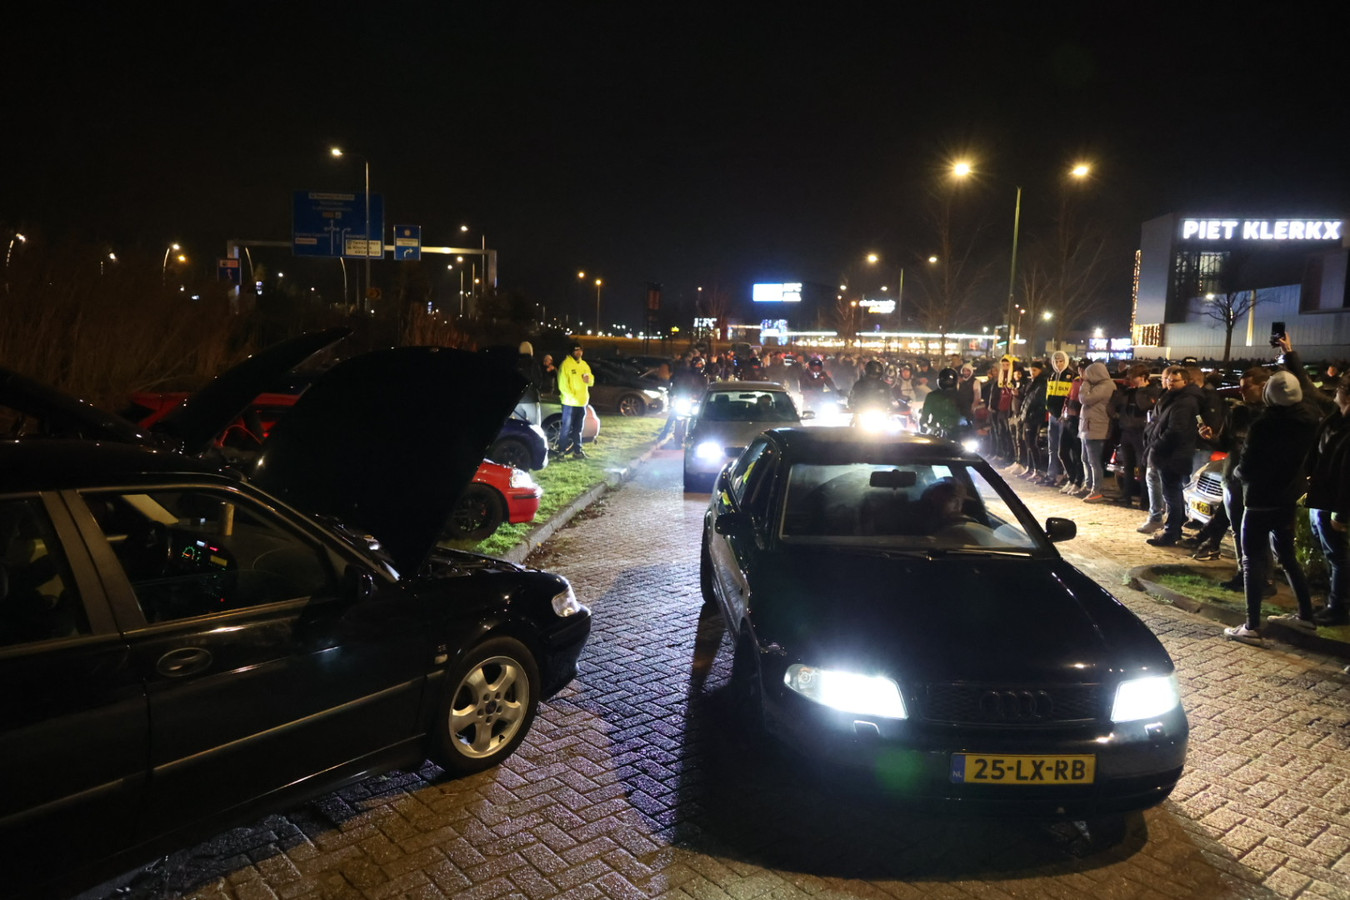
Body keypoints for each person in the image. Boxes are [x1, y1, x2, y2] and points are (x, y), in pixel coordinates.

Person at [1223, 371, 1322, 645]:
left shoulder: (1264, 425)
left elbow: (1249, 465)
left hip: (1260, 499)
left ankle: (1252, 626)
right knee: (1287, 554)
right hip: (1288, 496)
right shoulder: (1308, 420)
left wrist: (1239, 473)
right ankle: (1305, 616)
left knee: (1251, 558)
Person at [1306, 372, 1350, 625]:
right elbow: (1311, 390)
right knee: (1330, 552)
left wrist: (1341, 512)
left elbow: (1347, 475)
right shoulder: (1334, 419)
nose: (1333, 394)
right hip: (1321, 497)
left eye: (1337, 390)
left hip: (1332, 503)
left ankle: (1338, 607)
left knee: (1337, 555)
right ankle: (1331, 601)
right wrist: (1288, 354)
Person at [1142, 365, 1204, 546]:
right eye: (1168, 380)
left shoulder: (1185, 402)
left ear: (1185, 381)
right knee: (1172, 493)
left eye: (1175, 380)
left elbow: (1176, 430)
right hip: (1169, 453)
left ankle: (1171, 531)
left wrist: (1157, 445)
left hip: (1173, 455)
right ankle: (1173, 529)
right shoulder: (1173, 398)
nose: (1170, 384)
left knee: (1172, 494)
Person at [1112, 363, 1159, 509]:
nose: (1132, 381)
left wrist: (1139, 390)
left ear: (1143, 377)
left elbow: (1144, 406)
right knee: (1127, 467)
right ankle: (1126, 497)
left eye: (1134, 378)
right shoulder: (1128, 391)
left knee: (1142, 466)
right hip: (1126, 431)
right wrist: (1118, 415)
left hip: (1141, 432)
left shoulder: (1152, 390)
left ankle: (1145, 500)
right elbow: (1114, 404)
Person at [1078, 361, 1118, 502]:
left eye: (1089, 374)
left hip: (1097, 428)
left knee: (1094, 461)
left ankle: (1096, 489)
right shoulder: (1097, 386)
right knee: (1085, 458)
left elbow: (1085, 398)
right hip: (1087, 427)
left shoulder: (1106, 386)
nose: (1086, 377)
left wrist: (1085, 384)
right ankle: (1088, 485)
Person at [1041, 351, 1074, 486]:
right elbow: (1049, 395)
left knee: (1063, 449)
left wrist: (1064, 414)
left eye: (1061, 361)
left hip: (1063, 418)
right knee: (1052, 447)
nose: (1058, 364)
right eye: (1056, 361)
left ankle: (1065, 474)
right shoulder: (1052, 376)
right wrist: (1049, 410)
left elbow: (1070, 397)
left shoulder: (1071, 376)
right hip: (1053, 416)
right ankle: (1052, 474)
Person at [556, 345, 593, 458]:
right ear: (571, 351)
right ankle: (561, 452)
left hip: (582, 403)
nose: (579, 352)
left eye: (580, 350)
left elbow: (590, 380)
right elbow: (563, 386)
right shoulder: (565, 365)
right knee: (566, 429)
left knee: (578, 429)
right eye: (576, 350)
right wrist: (573, 397)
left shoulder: (584, 365)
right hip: (569, 404)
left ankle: (577, 451)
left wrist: (590, 380)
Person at [1016, 361, 1048, 480]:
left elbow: (1038, 401)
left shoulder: (1042, 384)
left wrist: (1031, 414)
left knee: (1032, 443)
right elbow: (1026, 398)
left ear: (1040, 370)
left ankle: (1038, 470)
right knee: (1027, 442)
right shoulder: (1032, 382)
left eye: (1035, 370)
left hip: (1034, 417)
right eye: (1031, 370)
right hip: (1027, 416)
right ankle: (1030, 468)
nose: (1032, 372)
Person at [918, 368, 963, 438]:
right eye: (946, 380)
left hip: (956, 432)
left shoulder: (960, 396)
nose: (947, 382)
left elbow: (966, 414)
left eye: (949, 381)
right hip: (936, 431)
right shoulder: (932, 396)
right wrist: (923, 425)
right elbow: (925, 414)